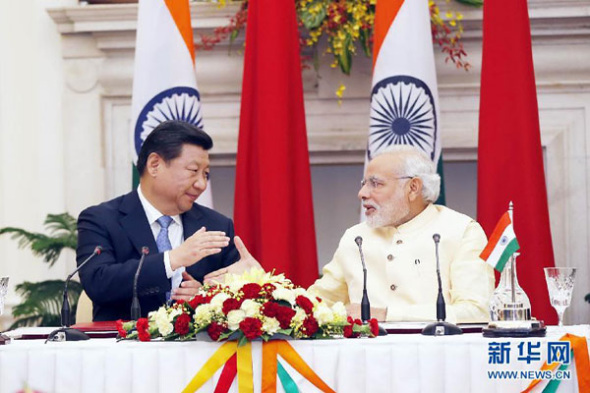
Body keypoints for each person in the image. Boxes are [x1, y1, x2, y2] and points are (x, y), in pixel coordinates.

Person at [77, 120, 257, 321]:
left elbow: (237, 302)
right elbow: (98, 283)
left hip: (199, 350)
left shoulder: (216, 225)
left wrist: (206, 296)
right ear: (155, 165)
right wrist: (172, 259)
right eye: (193, 171)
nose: (201, 184)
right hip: (125, 347)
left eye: (206, 174)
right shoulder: (102, 219)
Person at [306, 145, 495, 323]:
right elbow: (317, 302)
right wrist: (280, 305)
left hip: (437, 354)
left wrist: (387, 315)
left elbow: (477, 312)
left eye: (376, 184)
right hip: (365, 356)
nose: (362, 193)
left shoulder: (461, 231)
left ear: (413, 188)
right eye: (364, 184)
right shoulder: (356, 237)